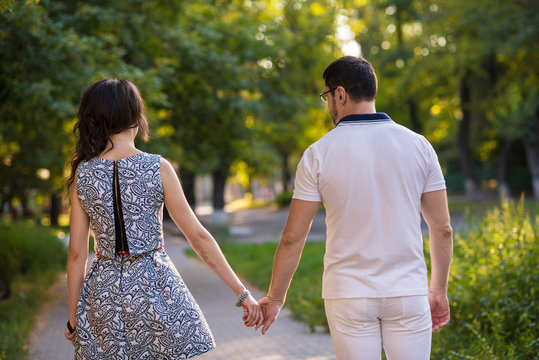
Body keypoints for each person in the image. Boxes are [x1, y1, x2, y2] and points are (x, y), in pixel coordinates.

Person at [257, 56, 453, 360]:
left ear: (339, 94)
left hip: (348, 294)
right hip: (407, 290)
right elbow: (442, 229)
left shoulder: (317, 154)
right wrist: (438, 290)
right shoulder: (419, 145)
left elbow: (293, 237)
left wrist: (275, 298)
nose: (328, 105)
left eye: (326, 96)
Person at [64, 79, 263, 359]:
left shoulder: (83, 174)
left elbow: (76, 255)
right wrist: (242, 294)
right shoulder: (157, 167)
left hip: (103, 294)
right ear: (135, 116)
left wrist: (74, 318)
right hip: (155, 287)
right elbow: (198, 237)